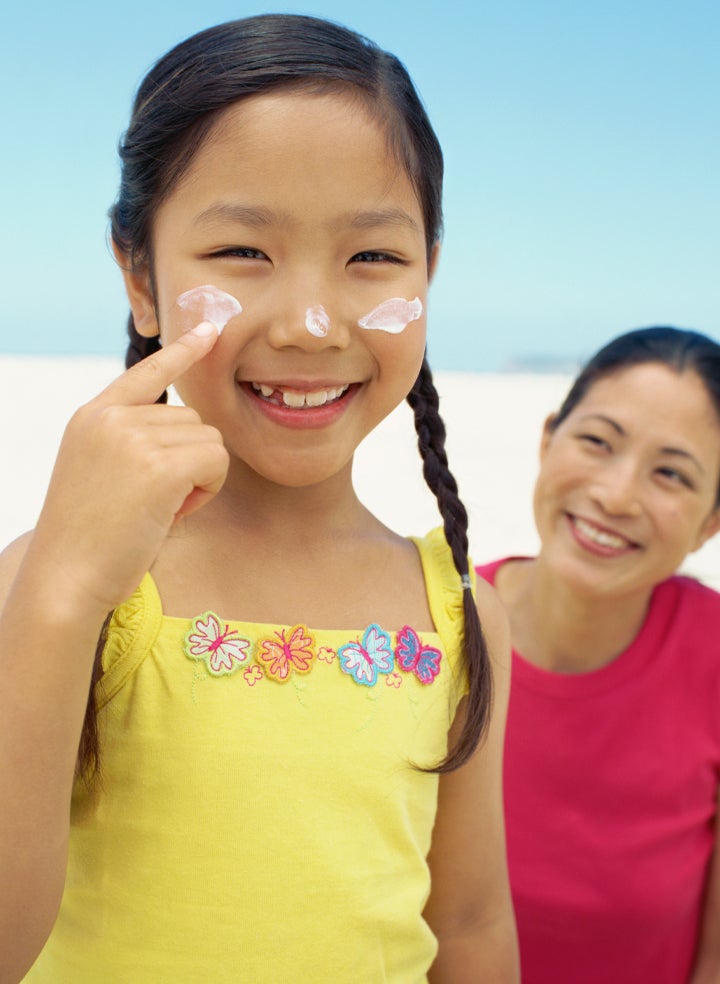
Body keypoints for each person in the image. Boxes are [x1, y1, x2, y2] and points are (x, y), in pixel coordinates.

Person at [0, 14, 519, 983]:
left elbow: (475, 921)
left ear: (430, 271)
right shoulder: (61, 580)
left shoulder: (458, 613)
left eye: (373, 259)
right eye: (243, 253)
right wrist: (63, 595)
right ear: (140, 278)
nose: (314, 324)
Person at [476, 325, 720, 984]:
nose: (616, 495)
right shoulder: (431, 627)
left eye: (671, 474)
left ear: (710, 522)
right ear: (547, 438)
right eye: (596, 442)